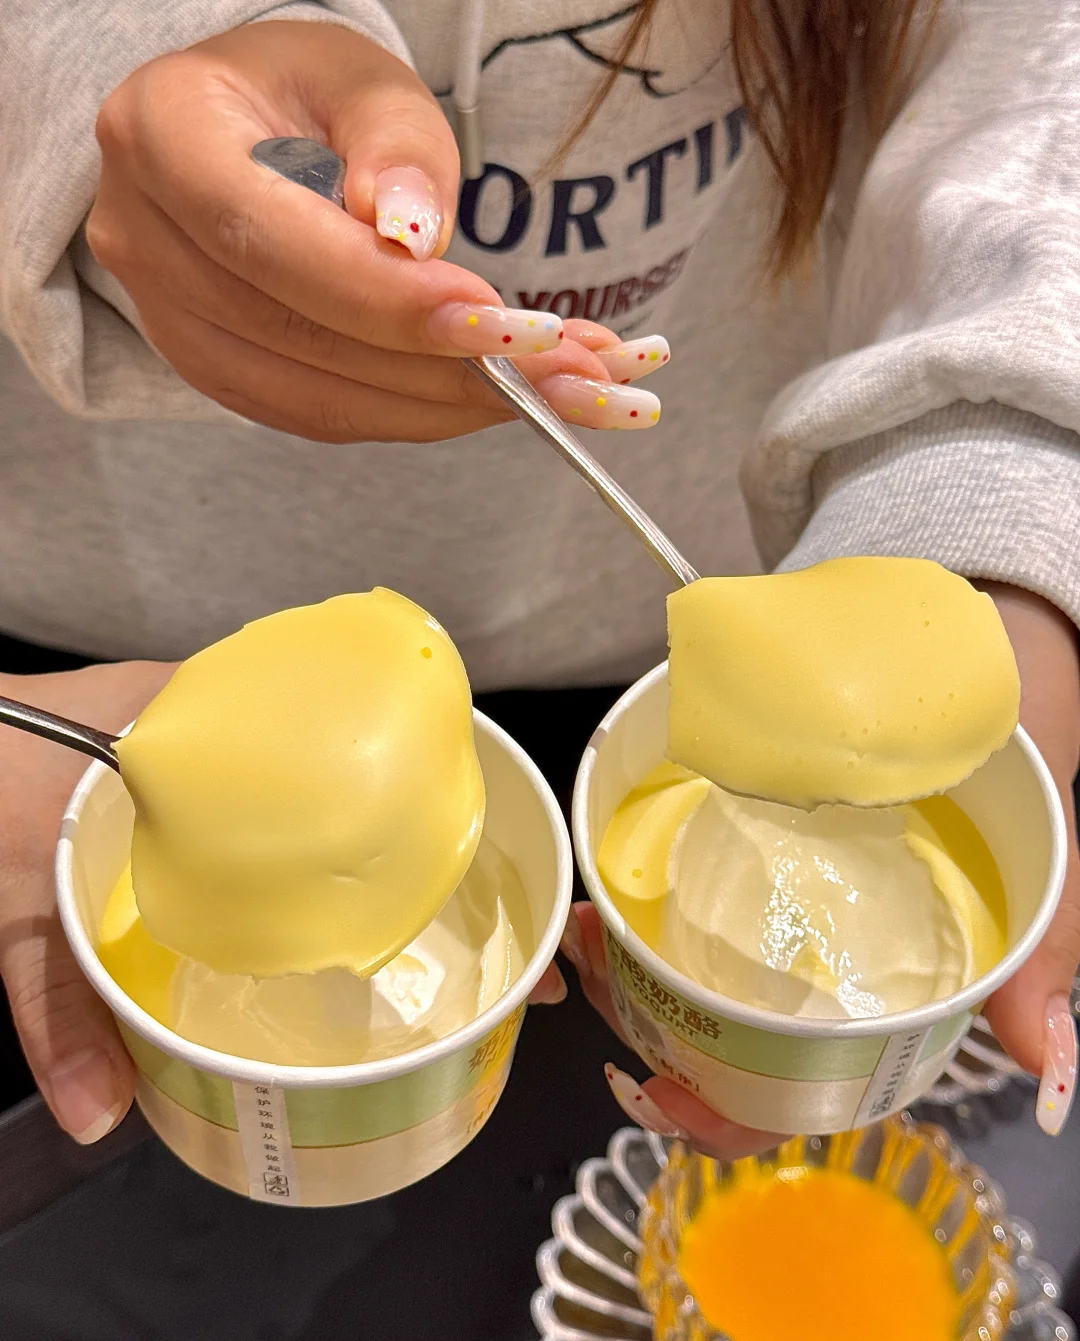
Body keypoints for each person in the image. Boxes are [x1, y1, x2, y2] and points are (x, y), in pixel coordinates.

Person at [0, 0, 1076, 1155]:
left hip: (674, 691)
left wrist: (999, 526)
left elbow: (1038, 101)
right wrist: (146, 54)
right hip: (82, 696)